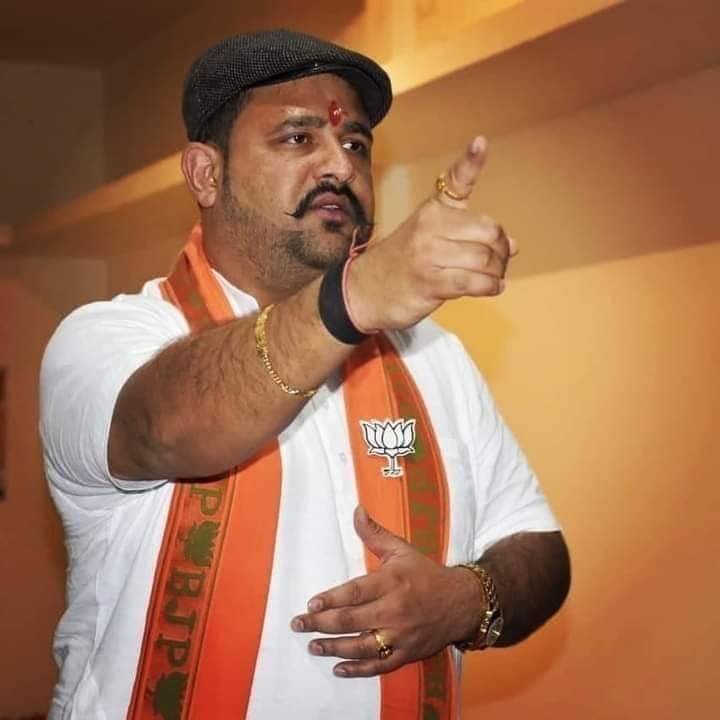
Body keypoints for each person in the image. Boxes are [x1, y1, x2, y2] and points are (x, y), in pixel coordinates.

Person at [40, 29, 570, 720]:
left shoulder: (433, 357)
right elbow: (168, 428)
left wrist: (466, 599)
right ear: (205, 174)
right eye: (298, 138)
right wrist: (351, 302)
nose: (340, 166)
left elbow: (540, 550)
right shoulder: (107, 339)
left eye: (356, 144)